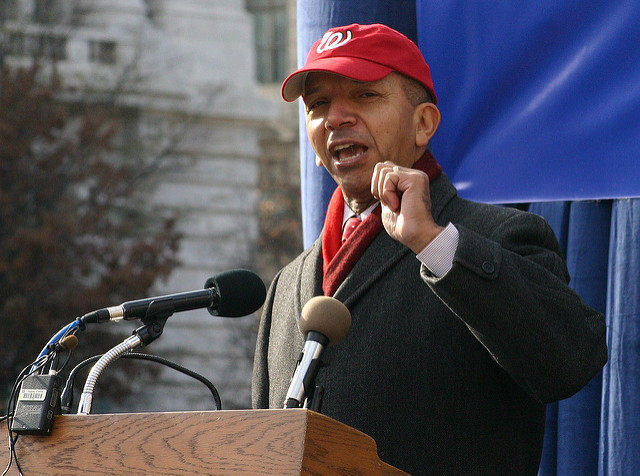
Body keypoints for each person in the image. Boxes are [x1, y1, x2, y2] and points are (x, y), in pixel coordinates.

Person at [252, 23, 607, 475]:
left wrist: (432, 243)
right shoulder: (286, 284)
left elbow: (569, 360)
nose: (335, 117)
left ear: (424, 124)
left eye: (364, 96)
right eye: (318, 104)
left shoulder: (498, 236)